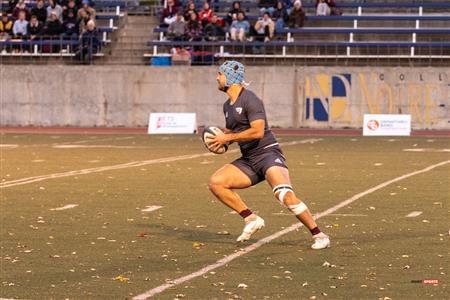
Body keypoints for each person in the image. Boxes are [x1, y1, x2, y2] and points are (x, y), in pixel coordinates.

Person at [207, 61, 330, 249]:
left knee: (284, 195)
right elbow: (234, 131)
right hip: (249, 159)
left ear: (230, 78)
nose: (217, 77)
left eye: (220, 74)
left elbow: (257, 131)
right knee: (216, 183)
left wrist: (228, 137)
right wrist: (219, 138)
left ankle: (319, 235)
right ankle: (251, 218)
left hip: (267, 154)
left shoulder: (250, 99)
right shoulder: (227, 106)